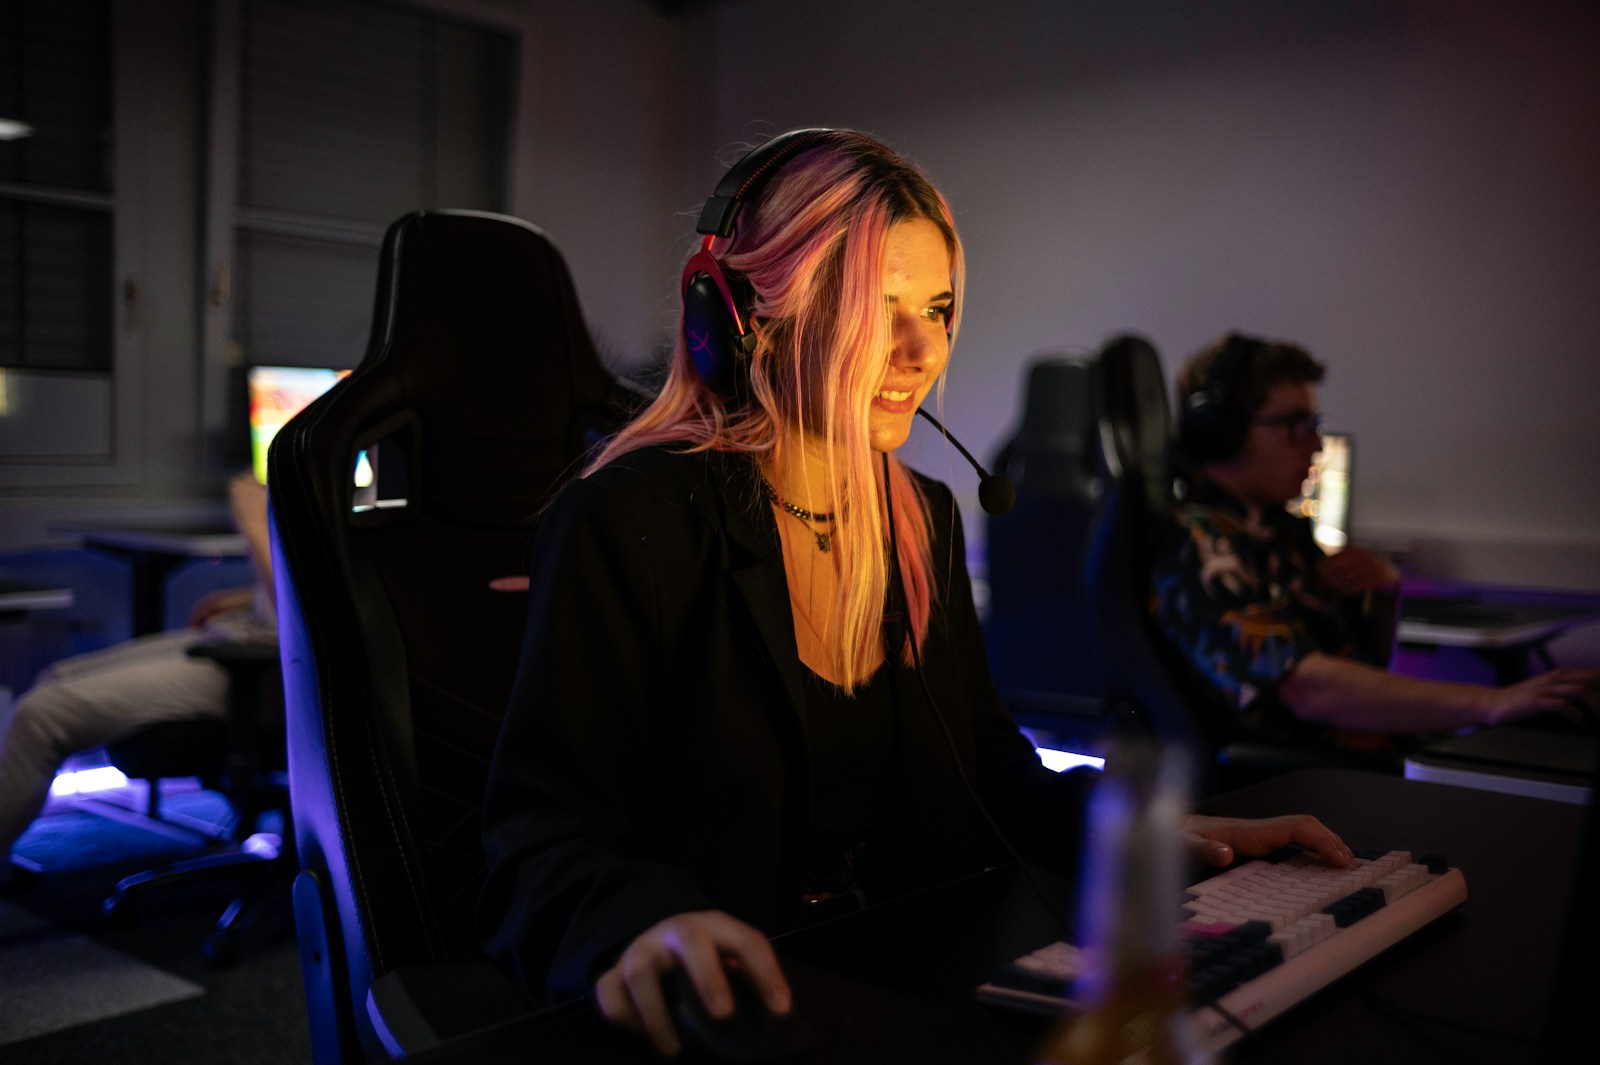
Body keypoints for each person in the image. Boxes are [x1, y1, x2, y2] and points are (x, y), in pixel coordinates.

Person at [477, 130, 1355, 1058]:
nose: (922, 347)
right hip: (728, 1023)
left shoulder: (920, 520)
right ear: (743, 319)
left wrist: (1163, 833)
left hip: (914, 992)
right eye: (877, 306)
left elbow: (994, 776)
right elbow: (539, 852)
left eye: (936, 307)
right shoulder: (632, 521)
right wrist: (647, 926)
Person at [1152, 332, 1600, 751]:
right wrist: (1491, 703)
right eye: (1295, 424)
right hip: (1292, 787)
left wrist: (1385, 593)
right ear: (1218, 432)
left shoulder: (1277, 531)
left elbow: (1361, 676)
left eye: (1315, 423)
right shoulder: (1199, 543)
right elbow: (1309, 688)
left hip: (1349, 761)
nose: (1315, 445)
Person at [0, 472, 277, 876]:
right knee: (58, 676)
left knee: (42, 714)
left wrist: (253, 518)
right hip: (253, 633)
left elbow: (324, 614)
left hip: (279, 669)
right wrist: (245, 597)